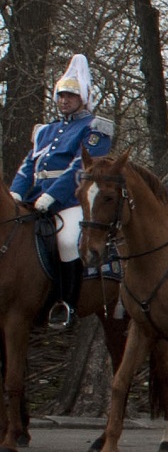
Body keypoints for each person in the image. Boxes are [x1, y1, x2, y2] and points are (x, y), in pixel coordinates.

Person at [9, 54, 113, 328]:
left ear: (83, 97)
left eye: (71, 95)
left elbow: (80, 167)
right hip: (36, 201)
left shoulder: (93, 128)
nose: (64, 100)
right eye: (61, 95)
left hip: (71, 200)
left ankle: (65, 303)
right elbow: (28, 164)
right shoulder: (46, 131)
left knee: (67, 241)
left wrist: (53, 196)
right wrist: (16, 193)